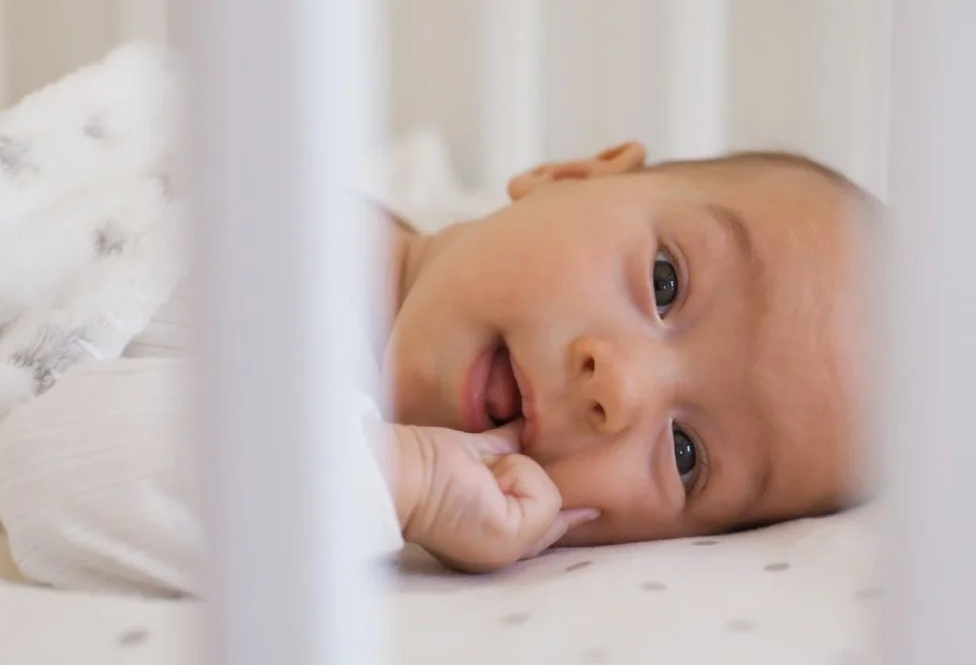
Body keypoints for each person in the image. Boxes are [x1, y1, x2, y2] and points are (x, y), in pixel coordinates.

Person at [0, 141, 875, 596]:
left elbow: (62, 469)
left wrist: (403, 480)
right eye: (664, 280)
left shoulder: (337, 428)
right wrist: (408, 478)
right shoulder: (299, 265)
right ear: (567, 174)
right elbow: (34, 473)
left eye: (686, 454)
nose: (623, 391)